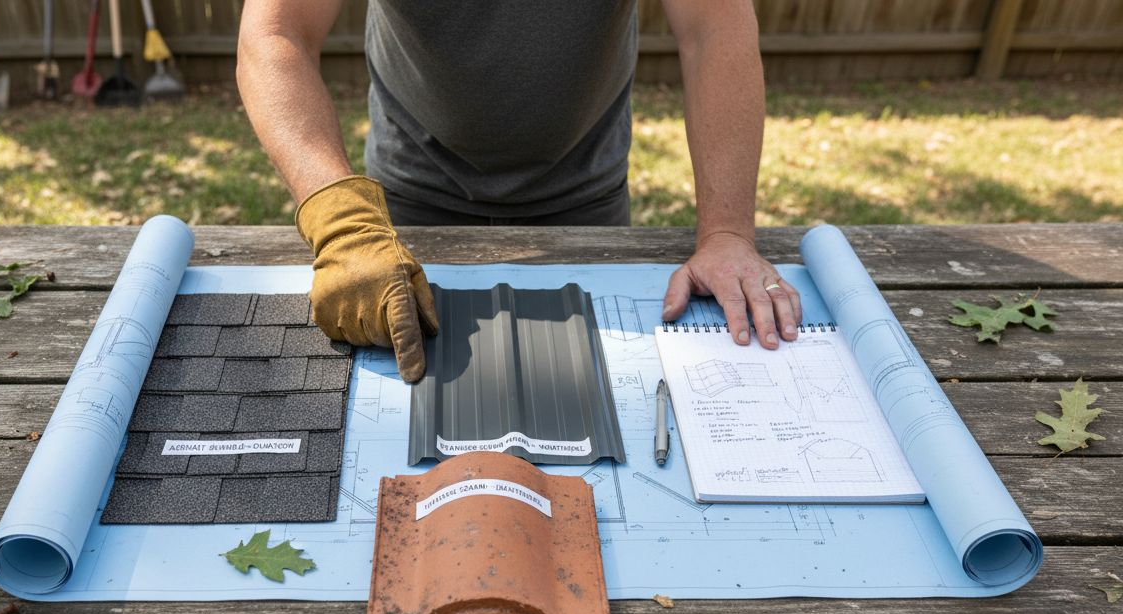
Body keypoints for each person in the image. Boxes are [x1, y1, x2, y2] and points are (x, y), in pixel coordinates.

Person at [237, 0, 802, 383]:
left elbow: (716, 27)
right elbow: (275, 31)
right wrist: (345, 227)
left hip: (585, 203)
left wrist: (727, 233)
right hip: (401, 215)